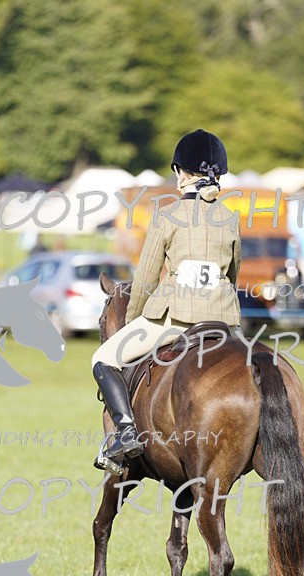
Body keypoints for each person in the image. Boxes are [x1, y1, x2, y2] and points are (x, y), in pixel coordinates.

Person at [92, 129, 242, 471]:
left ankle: (126, 433)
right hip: (222, 323)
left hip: (173, 320)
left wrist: (129, 321)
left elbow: (144, 280)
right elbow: (232, 277)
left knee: (103, 358)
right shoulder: (231, 219)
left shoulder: (165, 216)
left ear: (182, 173)